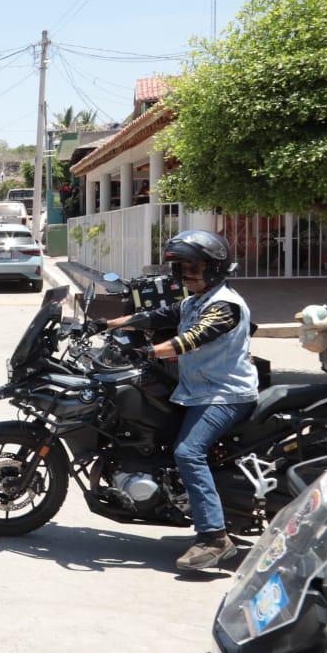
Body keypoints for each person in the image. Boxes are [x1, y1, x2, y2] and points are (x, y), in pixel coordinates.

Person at [103, 229, 257, 570]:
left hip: (225, 394)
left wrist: (148, 352)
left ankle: (214, 538)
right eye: (182, 268)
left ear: (215, 268)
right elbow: (157, 316)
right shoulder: (193, 301)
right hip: (198, 390)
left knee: (188, 452)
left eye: (195, 267)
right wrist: (106, 324)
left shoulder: (225, 305)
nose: (187, 274)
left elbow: (192, 338)